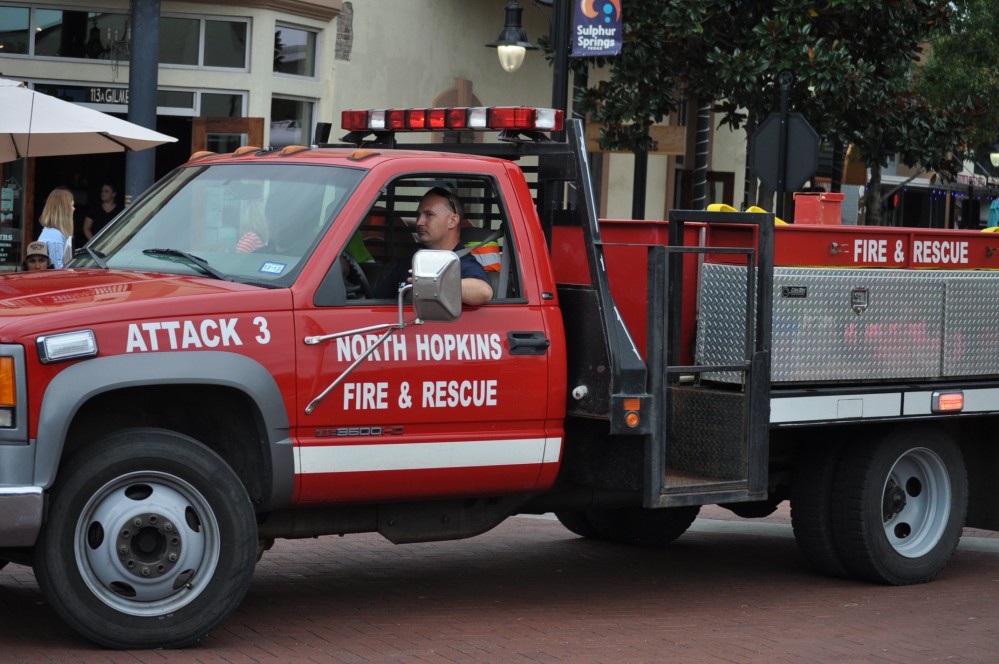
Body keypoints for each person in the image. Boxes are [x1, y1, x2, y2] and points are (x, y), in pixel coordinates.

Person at [373, 187, 493, 305]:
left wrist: (434, 283)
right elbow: (374, 302)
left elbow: (483, 292)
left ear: (452, 221)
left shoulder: (461, 263)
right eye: (419, 215)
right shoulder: (411, 262)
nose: (419, 222)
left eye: (429, 215)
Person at [37, 187, 75, 269]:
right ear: (64, 209)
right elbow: (57, 271)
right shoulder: (55, 236)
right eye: (72, 205)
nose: (74, 209)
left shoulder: (50, 232)